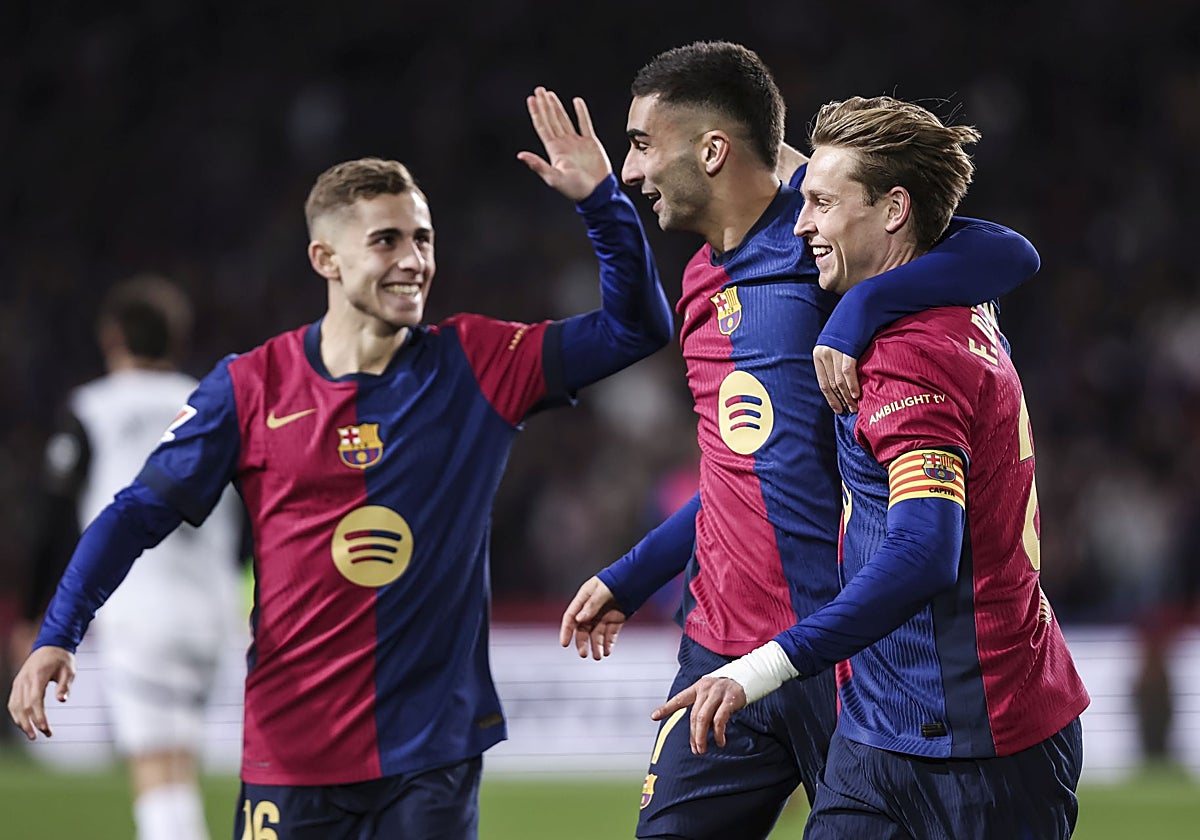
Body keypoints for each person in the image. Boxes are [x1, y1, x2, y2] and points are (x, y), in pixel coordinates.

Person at [8, 87, 673, 840]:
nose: (415, 260)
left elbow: (636, 328)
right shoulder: (249, 387)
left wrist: (601, 203)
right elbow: (134, 513)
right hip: (292, 759)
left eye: (423, 239)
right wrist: (59, 632)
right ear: (325, 258)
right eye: (387, 241)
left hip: (431, 758)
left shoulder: (479, 362)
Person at [557, 41, 1042, 839]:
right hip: (716, 646)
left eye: (642, 147)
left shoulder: (827, 252)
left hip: (836, 653)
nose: (632, 170)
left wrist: (859, 310)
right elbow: (743, 473)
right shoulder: (698, 286)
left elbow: (1010, 252)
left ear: (712, 150)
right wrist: (632, 574)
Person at [654, 95, 1090, 839]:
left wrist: (761, 667)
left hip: (978, 745)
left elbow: (923, 554)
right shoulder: (954, 299)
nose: (800, 224)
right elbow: (998, 249)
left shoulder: (908, 356)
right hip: (876, 730)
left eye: (821, 203)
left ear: (892, 211)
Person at [11, 275, 245, 840]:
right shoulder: (210, 400)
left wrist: (32, 617)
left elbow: (54, 518)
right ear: (178, 339)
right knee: (177, 763)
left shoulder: (92, 408)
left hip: (140, 607)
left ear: (112, 337)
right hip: (215, 609)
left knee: (155, 771)